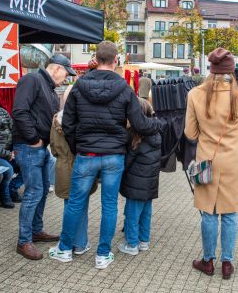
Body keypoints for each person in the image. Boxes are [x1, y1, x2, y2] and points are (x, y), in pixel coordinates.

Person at [49, 41, 162, 269]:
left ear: (96, 59)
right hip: (113, 156)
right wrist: (160, 124)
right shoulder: (124, 88)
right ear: (116, 60)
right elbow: (139, 123)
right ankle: (103, 254)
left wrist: (77, 145)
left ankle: (64, 249)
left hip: (86, 154)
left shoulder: (80, 86)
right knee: (109, 205)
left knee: (75, 203)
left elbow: (67, 123)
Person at [185, 47, 238, 280]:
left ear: (211, 69)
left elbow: (190, 133)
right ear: (231, 71)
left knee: (209, 213)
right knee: (231, 213)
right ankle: (227, 263)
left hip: (207, 160)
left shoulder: (195, 94)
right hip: (234, 160)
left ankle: (207, 261)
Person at [13, 54, 76, 260]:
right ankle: (23, 242)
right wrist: (33, 139)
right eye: (66, 73)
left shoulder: (47, 86)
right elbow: (20, 111)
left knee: (41, 191)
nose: (67, 78)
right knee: (34, 192)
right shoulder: (32, 80)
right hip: (29, 146)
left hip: (40, 148)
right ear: (57, 68)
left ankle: (36, 231)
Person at [50, 85, 98, 255]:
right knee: (82, 205)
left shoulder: (56, 119)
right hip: (82, 165)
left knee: (69, 205)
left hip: (63, 167)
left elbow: (54, 149)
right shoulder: (85, 120)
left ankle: (68, 244)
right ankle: (80, 243)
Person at [118, 98, 162, 256]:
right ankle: (144, 241)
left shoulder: (135, 136)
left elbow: (126, 162)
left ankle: (131, 244)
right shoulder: (156, 133)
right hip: (150, 184)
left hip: (135, 184)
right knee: (146, 213)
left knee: (132, 214)